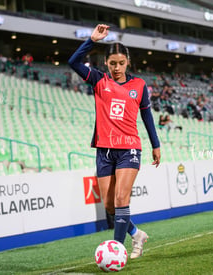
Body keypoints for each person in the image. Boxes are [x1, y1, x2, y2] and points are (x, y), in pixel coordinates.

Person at [68, 24, 161, 259]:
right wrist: (92, 40)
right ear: (106, 64)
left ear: (127, 62)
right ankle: (136, 233)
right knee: (110, 206)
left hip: (129, 147)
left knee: (121, 199)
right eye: (112, 63)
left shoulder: (139, 85)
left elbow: (147, 115)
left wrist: (155, 144)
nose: (117, 68)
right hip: (104, 150)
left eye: (121, 63)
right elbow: (73, 62)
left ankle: (116, 251)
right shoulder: (98, 80)